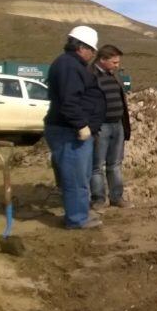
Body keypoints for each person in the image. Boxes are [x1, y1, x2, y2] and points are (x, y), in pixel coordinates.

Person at [44, 26, 105, 229]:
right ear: (80, 47)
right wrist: (81, 125)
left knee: (81, 176)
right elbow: (69, 101)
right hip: (68, 131)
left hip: (71, 130)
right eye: (91, 49)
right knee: (75, 178)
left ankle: (80, 214)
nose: (93, 54)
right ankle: (77, 219)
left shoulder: (72, 64)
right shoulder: (68, 66)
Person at [89, 45, 131, 209]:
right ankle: (98, 199)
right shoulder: (91, 75)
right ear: (103, 59)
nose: (117, 65)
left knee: (115, 163)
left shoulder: (114, 76)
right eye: (114, 62)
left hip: (117, 125)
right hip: (101, 127)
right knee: (97, 165)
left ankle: (116, 197)